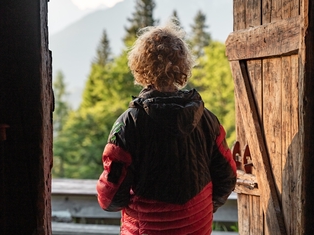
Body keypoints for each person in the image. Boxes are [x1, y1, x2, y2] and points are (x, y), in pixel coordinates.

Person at [96, 21, 237, 235]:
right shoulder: (207, 119)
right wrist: (204, 206)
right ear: (184, 66)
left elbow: (111, 197)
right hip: (196, 226)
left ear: (139, 66)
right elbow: (227, 176)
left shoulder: (129, 124)